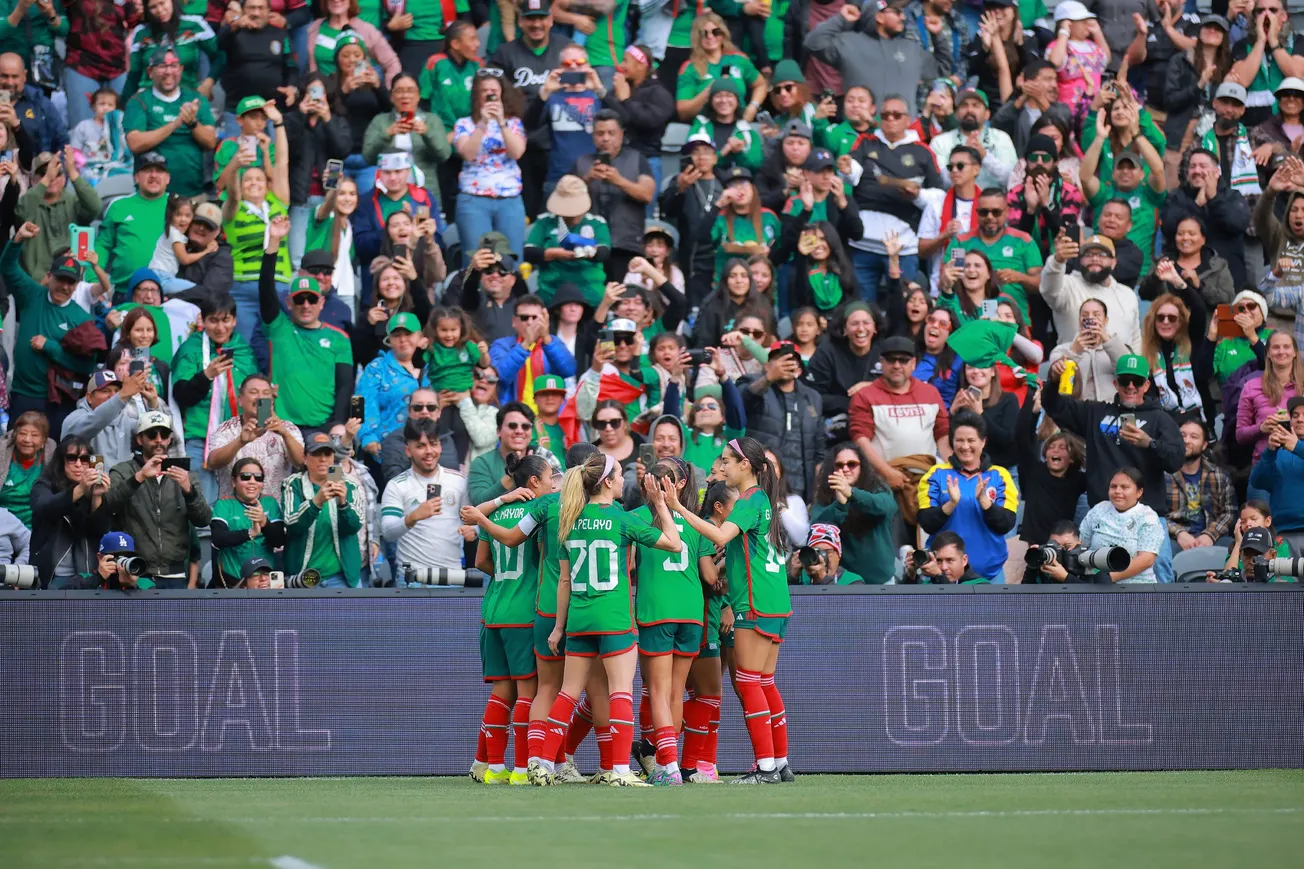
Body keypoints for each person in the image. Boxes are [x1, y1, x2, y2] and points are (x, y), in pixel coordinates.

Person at [529, 452, 682, 787]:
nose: (624, 480)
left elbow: (564, 581)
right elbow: (674, 542)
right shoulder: (622, 519)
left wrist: (558, 627)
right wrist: (660, 505)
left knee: (567, 694)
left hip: (579, 621)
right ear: (608, 482)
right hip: (613, 619)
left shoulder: (570, 518)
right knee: (620, 693)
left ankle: (540, 762)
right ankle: (620, 770)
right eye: (619, 475)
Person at [662, 436, 791, 784]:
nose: (722, 466)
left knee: (749, 684)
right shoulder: (763, 500)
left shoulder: (748, 500)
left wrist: (678, 506)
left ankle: (765, 768)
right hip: (776, 602)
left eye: (727, 460)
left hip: (755, 603)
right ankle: (779, 763)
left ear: (744, 465)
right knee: (765, 683)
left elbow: (720, 538)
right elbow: (743, 551)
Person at [1043, 354, 1184, 581]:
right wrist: (1053, 379)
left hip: (1146, 515)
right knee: (1093, 576)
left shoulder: (1160, 419)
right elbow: (1054, 405)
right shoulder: (1096, 412)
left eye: (1136, 381)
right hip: (1102, 514)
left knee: (1160, 576)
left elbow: (1176, 460)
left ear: (1146, 385)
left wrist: (1149, 444)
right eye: (1125, 380)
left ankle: (1161, 618)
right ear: (1115, 382)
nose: (1130, 386)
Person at [628, 457, 715, 786]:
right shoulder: (695, 522)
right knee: (676, 693)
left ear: (680, 484)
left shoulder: (636, 517)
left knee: (659, 693)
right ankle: (671, 763)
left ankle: (669, 767)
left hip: (656, 612)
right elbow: (708, 574)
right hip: (691, 614)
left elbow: (627, 571)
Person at [259, 217, 352, 437]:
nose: (306, 305)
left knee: (334, 468)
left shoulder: (339, 338)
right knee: (262, 467)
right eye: (300, 300)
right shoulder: (278, 327)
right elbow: (265, 289)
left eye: (312, 299)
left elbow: (345, 385)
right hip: (279, 426)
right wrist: (273, 243)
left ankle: (335, 468)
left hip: (322, 429)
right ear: (289, 304)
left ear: (321, 302)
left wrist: (338, 423)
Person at [844, 93, 945, 295]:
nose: (890, 119)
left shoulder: (923, 151)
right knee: (863, 309)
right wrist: (845, 168)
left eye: (896, 115)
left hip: (903, 244)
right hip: (863, 241)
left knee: (903, 304)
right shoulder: (865, 141)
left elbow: (939, 196)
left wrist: (917, 196)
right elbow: (852, 174)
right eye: (885, 115)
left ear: (908, 119)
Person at [1, 225, 96, 432]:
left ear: (78, 284)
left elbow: (87, 366)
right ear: (49, 276)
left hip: (58, 401)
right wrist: (17, 240)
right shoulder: (31, 295)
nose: (64, 286)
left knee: (54, 456)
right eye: (61, 279)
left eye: (71, 282)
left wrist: (50, 347)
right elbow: (7, 267)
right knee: (13, 450)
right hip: (23, 395)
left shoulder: (82, 318)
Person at [102, 410, 212, 589]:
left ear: (170, 439)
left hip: (176, 574)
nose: (159, 440)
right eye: (152, 434)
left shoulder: (186, 476)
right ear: (140, 439)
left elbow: (204, 519)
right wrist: (139, 477)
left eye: (164, 434)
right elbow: (107, 506)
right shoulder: (123, 471)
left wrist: (188, 491)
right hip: (136, 572)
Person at [849, 334, 950, 515]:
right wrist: (887, 472)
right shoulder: (865, 396)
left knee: (928, 540)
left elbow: (942, 436)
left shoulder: (930, 393)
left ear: (914, 363)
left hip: (927, 481)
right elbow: (861, 441)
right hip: (883, 482)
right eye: (891, 360)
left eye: (903, 360)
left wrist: (953, 471)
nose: (897, 365)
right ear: (882, 363)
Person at [170, 293, 256, 504]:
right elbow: (181, 395)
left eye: (225, 320)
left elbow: (258, 393)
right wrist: (206, 376)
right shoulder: (191, 349)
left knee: (237, 509)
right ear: (203, 320)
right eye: (213, 320)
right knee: (202, 507)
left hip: (239, 441)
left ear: (234, 320)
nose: (220, 328)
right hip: (200, 442)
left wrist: (261, 426)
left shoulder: (244, 351)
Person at [916, 410, 1018, 582]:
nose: (965, 446)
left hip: (990, 575)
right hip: (941, 574)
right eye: (959, 440)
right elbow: (927, 523)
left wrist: (985, 502)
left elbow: (1006, 524)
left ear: (983, 442)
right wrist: (951, 503)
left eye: (971, 440)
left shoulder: (1000, 476)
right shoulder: (936, 474)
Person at [804, 0, 944, 118]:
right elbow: (813, 43)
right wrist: (840, 19)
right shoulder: (849, 44)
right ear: (879, 17)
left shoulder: (911, 49)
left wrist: (939, 37)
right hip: (859, 133)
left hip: (904, 135)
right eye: (896, 12)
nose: (903, 17)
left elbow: (941, 70)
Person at [380, 416, 470, 579]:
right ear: (408, 451)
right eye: (420, 446)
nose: (429, 451)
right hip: (412, 580)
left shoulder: (459, 480)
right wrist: (413, 517)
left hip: (453, 577)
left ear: (440, 446)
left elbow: (472, 522)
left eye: (433, 444)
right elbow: (387, 532)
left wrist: (474, 531)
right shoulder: (397, 485)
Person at [452, 71, 527, 267]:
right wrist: (483, 123)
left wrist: (501, 122)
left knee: (511, 262)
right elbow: (467, 153)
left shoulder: (513, 123)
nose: (489, 94)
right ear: (477, 95)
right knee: (475, 261)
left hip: (509, 199)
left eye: (494, 91)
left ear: (501, 94)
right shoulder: (464, 124)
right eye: (484, 91)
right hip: (473, 199)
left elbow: (517, 152)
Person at [123, 47, 218, 198]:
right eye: (162, 66)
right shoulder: (139, 101)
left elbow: (210, 142)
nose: (168, 72)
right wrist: (175, 124)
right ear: (150, 72)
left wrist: (192, 122)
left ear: (180, 69)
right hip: (152, 195)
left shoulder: (196, 99)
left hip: (192, 193)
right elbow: (135, 143)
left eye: (173, 66)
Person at [572, 110, 655, 281]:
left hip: (626, 244)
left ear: (621, 135)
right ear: (593, 136)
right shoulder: (581, 163)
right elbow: (564, 200)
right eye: (600, 133)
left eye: (611, 133)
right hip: (588, 245)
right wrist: (586, 179)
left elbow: (647, 195)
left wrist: (619, 181)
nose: (606, 138)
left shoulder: (637, 159)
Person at [945, 188, 1043, 328]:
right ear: (977, 213)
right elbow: (949, 280)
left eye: (996, 212)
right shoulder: (962, 243)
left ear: (1007, 212)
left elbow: (1042, 285)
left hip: (1014, 321)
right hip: (969, 321)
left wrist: (1020, 277)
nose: (990, 217)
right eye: (984, 212)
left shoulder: (1023, 241)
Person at [1081, 122, 1167, 277]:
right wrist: (1100, 138)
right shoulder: (1104, 193)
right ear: (1113, 173)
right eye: (1121, 167)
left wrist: (1137, 135)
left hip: (1140, 277)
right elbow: (1085, 177)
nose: (1125, 171)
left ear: (1142, 174)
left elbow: (1158, 170)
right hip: (1098, 274)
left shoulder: (1150, 195)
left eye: (1131, 167)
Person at [742, 340, 824, 500]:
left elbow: (819, 447)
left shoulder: (813, 398)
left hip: (800, 489)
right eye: (779, 360)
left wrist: (816, 490)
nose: (785, 364)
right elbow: (742, 400)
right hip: (761, 485)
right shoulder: (753, 384)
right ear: (767, 366)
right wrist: (769, 378)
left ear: (799, 370)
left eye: (790, 360)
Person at [282, 431, 366, 588]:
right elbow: (291, 524)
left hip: (342, 578)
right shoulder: (293, 483)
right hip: (303, 578)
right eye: (316, 453)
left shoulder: (349, 484)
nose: (322, 459)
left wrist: (343, 504)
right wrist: (316, 502)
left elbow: (354, 526)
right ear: (305, 458)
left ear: (333, 458)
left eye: (327, 454)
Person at [205, 373, 305, 504]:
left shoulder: (288, 428)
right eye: (254, 392)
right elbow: (213, 462)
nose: (260, 398)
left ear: (272, 400)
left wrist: (285, 434)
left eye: (265, 393)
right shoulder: (226, 428)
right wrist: (240, 441)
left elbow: (301, 463)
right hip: (233, 512)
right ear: (240, 400)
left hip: (275, 513)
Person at [1161, 146, 1252, 288]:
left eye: (1203, 166)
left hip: (1226, 281)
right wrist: (1196, 205)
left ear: (1216, 171)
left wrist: (1214, 198)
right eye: (1192, 167)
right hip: (1183, 279)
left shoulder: (1232, 197)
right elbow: (1169, 226)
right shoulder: (1176, 196)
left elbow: (1237, 223)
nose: (1197, 171)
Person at [808, 442, 897, 583]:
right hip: (846, 582)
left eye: (851, 464)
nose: (845, 469)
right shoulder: (825, 494)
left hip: (882, 580)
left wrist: (852, 494)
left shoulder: (878, 487)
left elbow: (886, 507)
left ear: (862, 466)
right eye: (839, 465)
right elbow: (817, 526)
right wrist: (840, 505)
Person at [29, 435, 110, 588]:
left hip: (88, 574)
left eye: (85, 459)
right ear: (61, 461)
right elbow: (45, 509)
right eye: (72, 458)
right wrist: (80, 489)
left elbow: (101, 529)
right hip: (52, 575)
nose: (79, 465)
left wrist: (97, 497)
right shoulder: (43, 485)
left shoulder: (92, 491)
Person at [1041, 231, 1141, 351]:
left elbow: (1135, 339)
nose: (1094, 259)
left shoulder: (1127, 294)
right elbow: (1048, 289)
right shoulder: (1067, 285)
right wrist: (1057, 261)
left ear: (1113, 262)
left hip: (1119, 368)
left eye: (1102, 254)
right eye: (1088, 254)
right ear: (1081, 261)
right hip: (1074, 366)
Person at [524, 174, 612, 306]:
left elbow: (604, 251)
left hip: (590, 293)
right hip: (551, 292)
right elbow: (529, 252)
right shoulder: (545, 221)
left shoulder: (596, 223)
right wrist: (553, 254)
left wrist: (590, 252)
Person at [15, 147, 101, 281]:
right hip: (37, 284)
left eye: (58, 172)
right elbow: (21, 213)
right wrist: (47, 178)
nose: (52, 177)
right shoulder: (29, 202)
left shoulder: (73, 201)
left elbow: (95, 207)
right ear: (33, 180)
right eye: (43, 173)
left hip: (71, 279)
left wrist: (72, 172)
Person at [95, 152, 171, 297]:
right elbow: (103, 246)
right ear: (136, 177)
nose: (154, 175)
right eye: (147, 170)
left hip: (167, 294)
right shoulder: (118, 206)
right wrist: (94, 281)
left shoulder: (179, 206)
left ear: (167, 178)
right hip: (124, 292)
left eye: (160, 171)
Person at [61, 367, 162, 471]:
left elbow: (155, 432)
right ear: (89, 397)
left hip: (124, 485)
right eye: (105, 391)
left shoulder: (125, 419)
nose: (113, 396)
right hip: (89, 486)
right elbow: (95, 420)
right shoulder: (74, 419)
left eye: (117, 391)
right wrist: (121, 396)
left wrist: (153, 403)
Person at [209, 457, 286, 589]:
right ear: (233, 481)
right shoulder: (224, 504)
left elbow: (279, 541)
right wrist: (250, 533)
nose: (252, 482)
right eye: (245, 477)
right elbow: (218, 539)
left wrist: (264, 522)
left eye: (258, 478)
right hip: (232, 580)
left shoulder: (270, 503)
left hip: (264, 581)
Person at [1079, 467, 1166, 583]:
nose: (1117, 491)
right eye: (1113, 486)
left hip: (1137, 587)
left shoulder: (1148, 517)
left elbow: (1146, 559)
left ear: (1139, 492)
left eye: (1124, 487)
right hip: (1096, 583)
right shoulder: (1099, 510)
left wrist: (1110, 577)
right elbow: (1082, 545)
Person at [803, 302, 881, 433]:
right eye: (854, 324)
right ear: (844, 329)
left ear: (875, 327)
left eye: (866, 323)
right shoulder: (827, 352)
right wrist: (852, 402)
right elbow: (811, 396)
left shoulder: (885, 351)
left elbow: (901, 388)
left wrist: (873, 387)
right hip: (836, 421)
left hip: (878, 420)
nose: (861, 329)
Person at [488, 293, 577, 406]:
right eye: (524, 318)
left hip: (547, 417)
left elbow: (569, 370)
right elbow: (500, 377)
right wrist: (526, 343)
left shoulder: (552, 342)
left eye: (535, 318)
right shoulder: (502, 345)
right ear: (514, 321)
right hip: (513, 418)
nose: (530, 322)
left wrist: (546, 338)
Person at [1228, 0, 1304, 128]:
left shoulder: (1299, 41)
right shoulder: (1242, 45)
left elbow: (1296, 74)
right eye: (1260, 11)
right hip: (1252, 125)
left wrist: (1273, 41)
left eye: (1272, 10)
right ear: (1254, 18)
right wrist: (1261, 41)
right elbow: (1242, 80)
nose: (1266, 15)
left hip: (1293, 123)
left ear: (1284, 16)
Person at [216, 0, 299, 116]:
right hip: (238, 109)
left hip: (273, 109)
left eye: (261, 8)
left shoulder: (280, 34)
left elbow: (291, 66)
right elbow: (216, 46)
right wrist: (235, 25)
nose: (256, 13)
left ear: (269, 10)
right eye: (252, 8)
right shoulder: (234, 32)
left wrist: (291, 87)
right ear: (243, 10)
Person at [62, 2, 136, 130]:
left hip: (117, 67)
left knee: (123, 129)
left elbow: (135, 20)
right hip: (82, 65)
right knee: (83, 130)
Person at [1167, 418, 1236, 551]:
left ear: (1204, 445)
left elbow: (1229, 513)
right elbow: (1155, 514)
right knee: (1164, 548)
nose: (1186, 441)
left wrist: (1210, 535)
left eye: (1194, 437)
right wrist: (1179, 533)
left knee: (1231, 546)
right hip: (1175, 538)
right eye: (1182, 436)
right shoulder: (1164, 475)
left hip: (1212, 537)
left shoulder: (1219, 476)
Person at [1237, 330, 1304, 464]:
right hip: (1265, 465)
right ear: (1267, 353)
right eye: (1275, 347)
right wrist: (1261, 428)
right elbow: (1240, 435)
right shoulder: (1251, 387)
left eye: (1286, 346)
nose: (1281, 351)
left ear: (1295, 352)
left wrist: (1292, 422)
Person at [1135, 292, 1206, 418]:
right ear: (1153, 321)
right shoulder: (1148, 355)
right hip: (1166, 424)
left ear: (1181, 321)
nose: (1166, 322)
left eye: (1172, 318)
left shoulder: (1193, 343)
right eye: (1160, 317)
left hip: (1198, 423)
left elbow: (1199, 310)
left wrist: (1180, 285)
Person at [0, 411, 55, 530]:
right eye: (22, 434)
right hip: (3, 528)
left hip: (38, 529)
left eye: (34, 435)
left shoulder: (51, 460)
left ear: (43, 442)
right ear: (15, 436)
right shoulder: (2, 455)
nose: (27, 439)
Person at [789, 522, 864, 585]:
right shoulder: (800, 577)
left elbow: (840, 602)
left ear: (838, 555)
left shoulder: (853, 581)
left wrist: (822, 579)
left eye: (828, 552)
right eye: (817, 552)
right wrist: (792, 578)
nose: (822, 557)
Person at [903, 530, 986, 583]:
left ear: (964, 560)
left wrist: (939, 576)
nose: (943, 567)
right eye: (938, 561)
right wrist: (911, 576)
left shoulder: (980, 586)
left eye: (949, 560)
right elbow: (903, 605)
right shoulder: (928, 583)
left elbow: (955, 605)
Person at [88, 531, 155, 590]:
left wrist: (131, 587)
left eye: (128, 557)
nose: (123, 561)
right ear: (100, 557)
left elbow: (147, 604)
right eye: (117, 557)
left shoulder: (145, 583)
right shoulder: (86, 578)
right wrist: (98, 578)